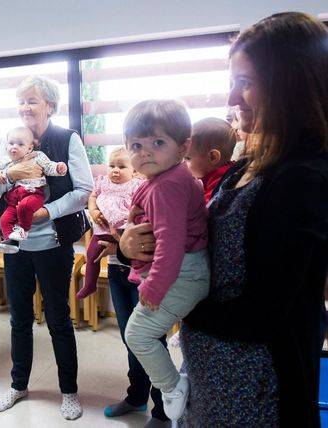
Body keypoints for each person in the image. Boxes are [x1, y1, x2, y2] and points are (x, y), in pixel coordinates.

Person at [117, 12, 328, 426]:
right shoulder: (250, 162)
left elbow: (262, 313)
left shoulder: (303, 178)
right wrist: (129, 245)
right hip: (213, 376)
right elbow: (197, 239)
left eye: (245, 83)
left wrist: (176, 301)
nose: (232, 98)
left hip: (256, 391)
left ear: (293, 84)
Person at [0, 75, 92, 420]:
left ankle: (69, 392)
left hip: (53, 243)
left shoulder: (66, 139)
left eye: (32, 101)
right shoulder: (12, 139)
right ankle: (19, 385)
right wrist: (8, 176)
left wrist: (48, 211)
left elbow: (83, 189)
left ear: (50, 105)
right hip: (15, 245)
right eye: (21, 101)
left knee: (59, 318)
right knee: (19, 318)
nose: (25, 108)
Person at [118, 99, 209, 425]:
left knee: (138, 334)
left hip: (182, 272)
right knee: (143, 332)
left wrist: (155, 284)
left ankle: (172, 388)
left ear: (183, 145)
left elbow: (169, 243)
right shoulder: (171, 179)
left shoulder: (165, 187)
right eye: (136, 145)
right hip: (187, 270)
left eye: (158, 142)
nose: (146, 152)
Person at [79, 147, 141, 299]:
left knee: (134, 251)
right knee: (92, 254)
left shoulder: (135, 184)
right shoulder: (103, 182)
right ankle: (90, 284)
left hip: (125, 227)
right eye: (112, 166)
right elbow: (92, 197)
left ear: (134, 170)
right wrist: (93, 211)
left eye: (122, 167)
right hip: (104, 228)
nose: (115, 170)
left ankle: (136, 271)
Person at [0, 126, 67, 252]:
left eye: (20, 144)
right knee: (4, 220)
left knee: (24, 207)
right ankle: (11, 242)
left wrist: (58, 168)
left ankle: (23, 230)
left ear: (30, 148)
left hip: (34, 194)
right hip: (14, 198)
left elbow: (49, 167)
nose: (14, 147)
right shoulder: (8, 162)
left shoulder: (37, 156)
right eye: (11, 143)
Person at [184, 117, 236, 203]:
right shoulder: (207, 173)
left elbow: (205, 207)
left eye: (188, 158)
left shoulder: (221, 178)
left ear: (213, 157)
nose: (184, 163)